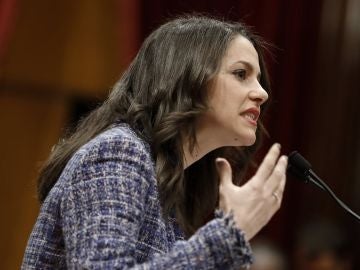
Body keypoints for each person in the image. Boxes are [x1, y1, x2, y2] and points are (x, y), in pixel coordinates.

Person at [22, 15, 288, 269]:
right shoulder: (119, 151)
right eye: (241, 74)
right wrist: (230, 235)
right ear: (186, 77)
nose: (262, 93)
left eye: (259, 79)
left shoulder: (169, 181)